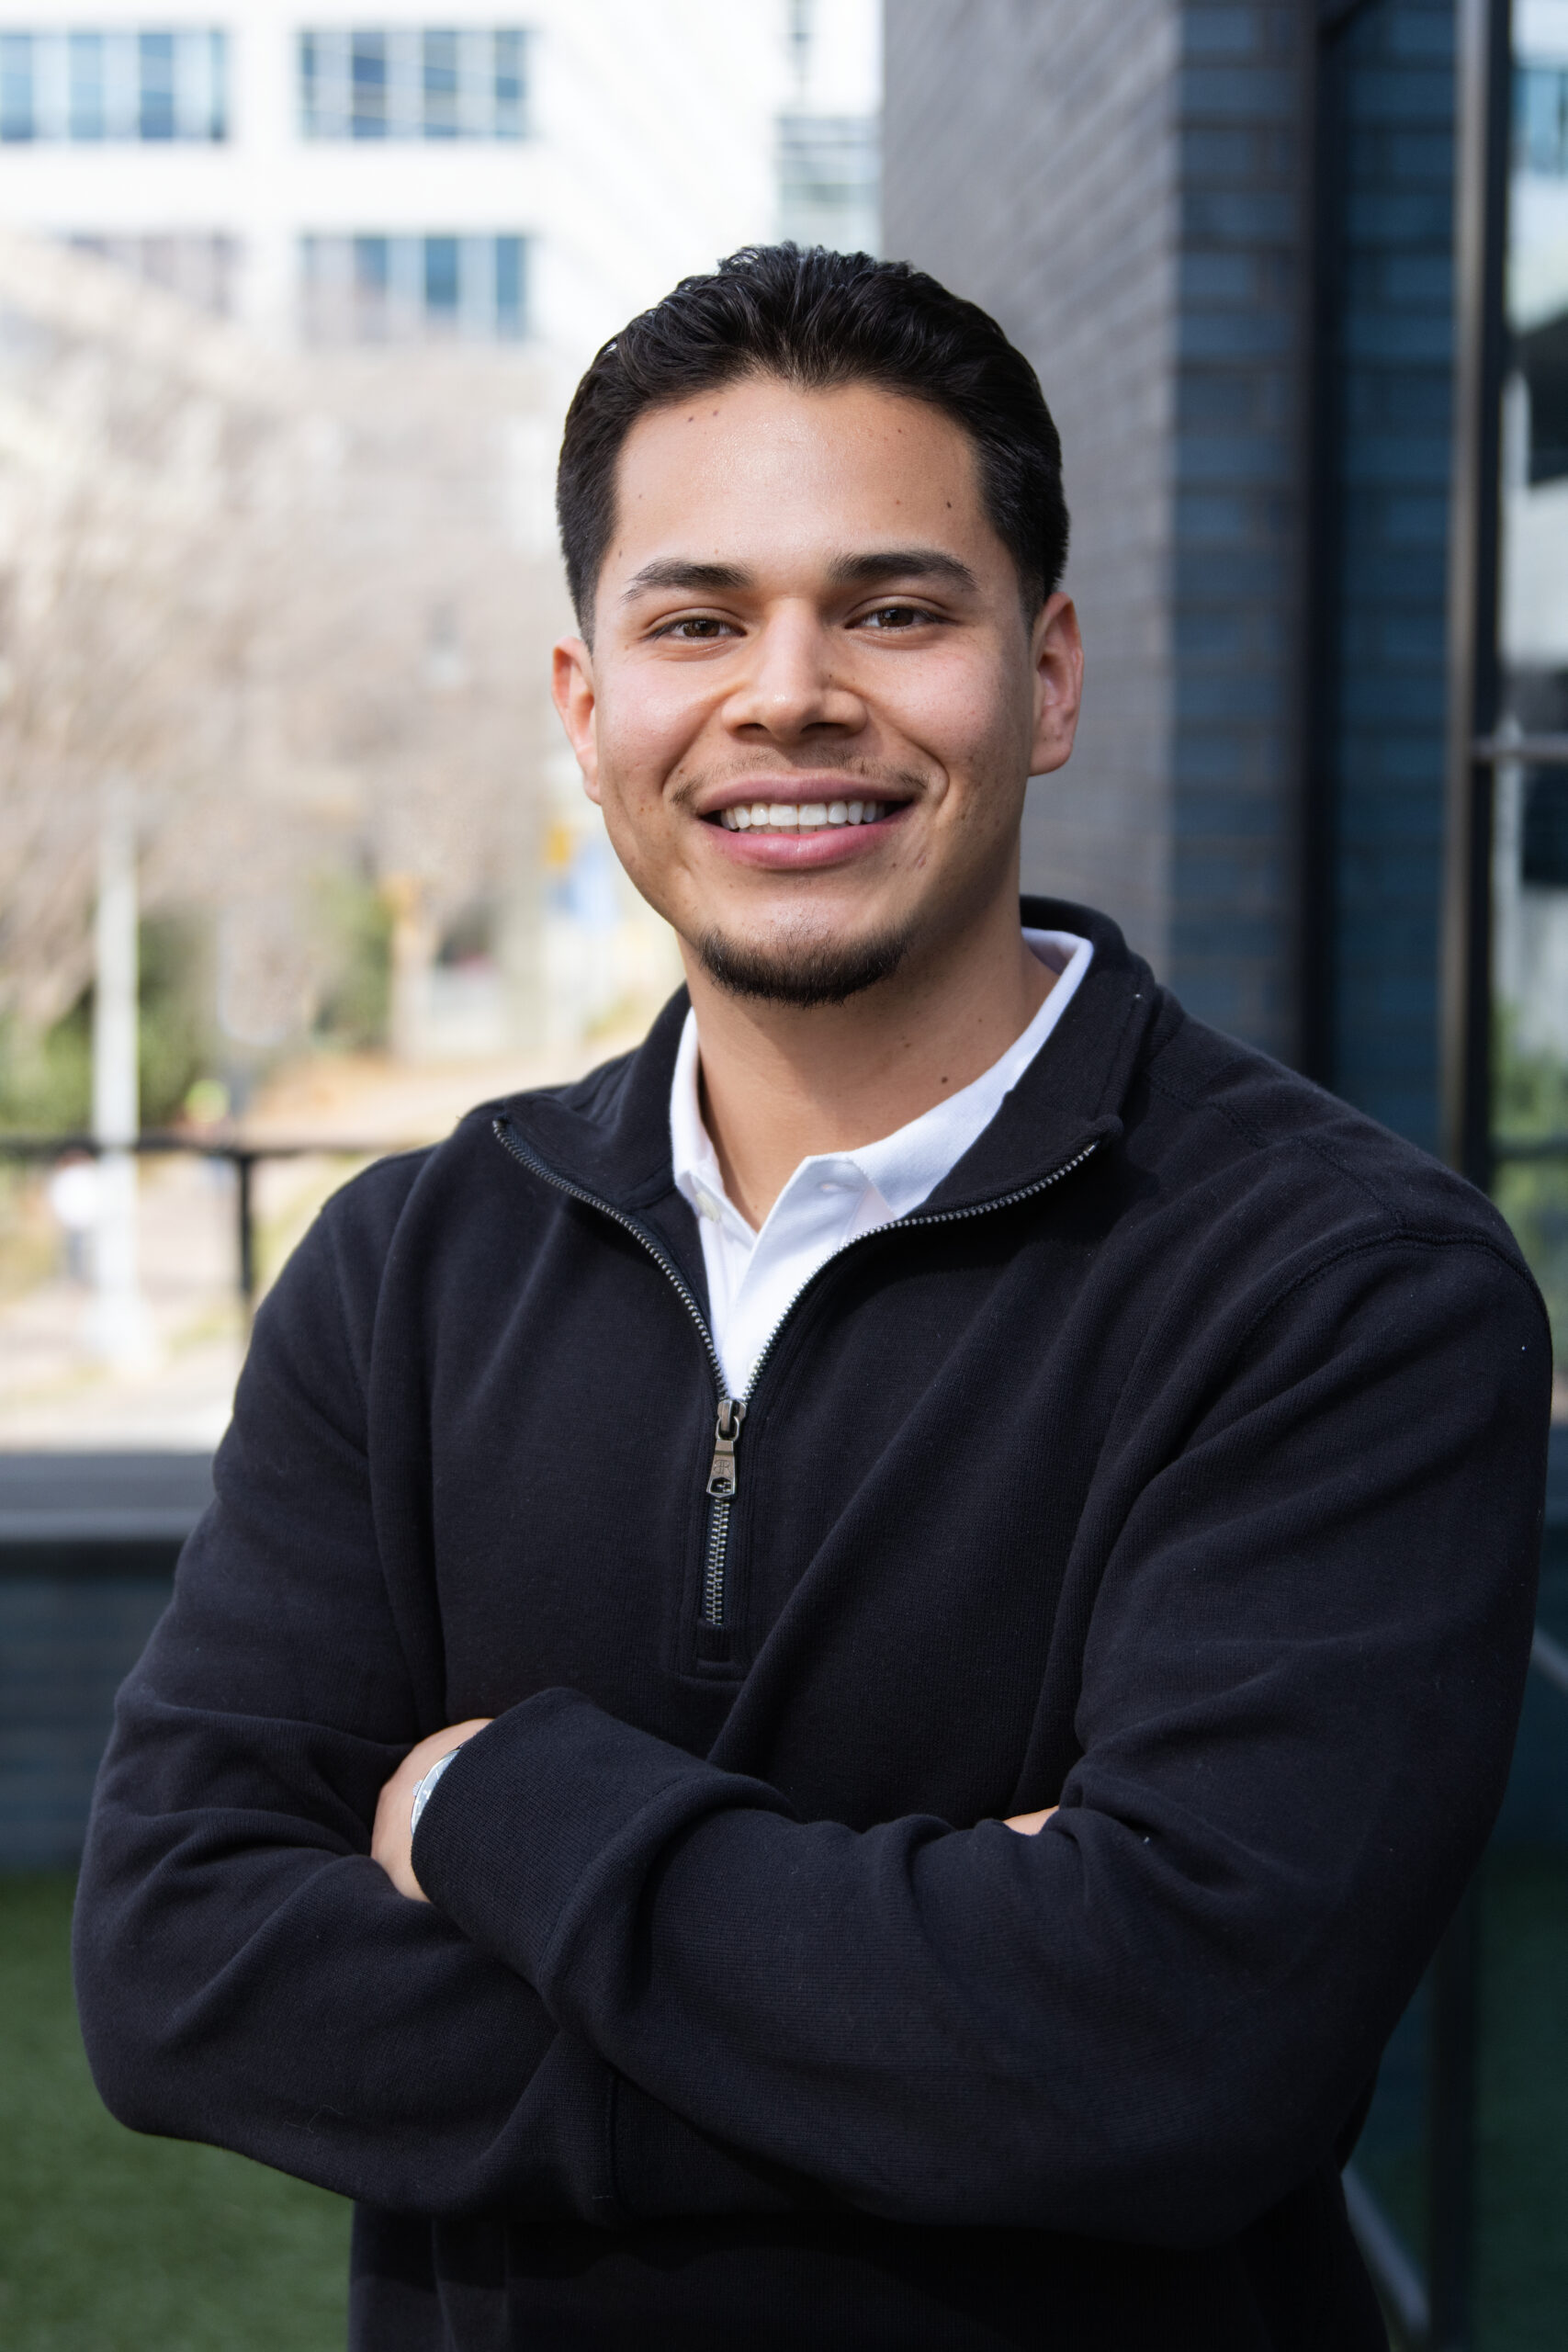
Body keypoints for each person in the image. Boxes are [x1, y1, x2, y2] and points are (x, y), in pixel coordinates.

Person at [73, 246, 1550, 2352]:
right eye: (695, 620)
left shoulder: (1340, 1288)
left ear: (1044, 675)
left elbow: (1174, 2049)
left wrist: (488, 1806)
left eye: (890, 609)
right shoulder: (407, 1267)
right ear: (587, 707)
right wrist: (952, 2027)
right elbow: (177, 1961)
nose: (786, 693)